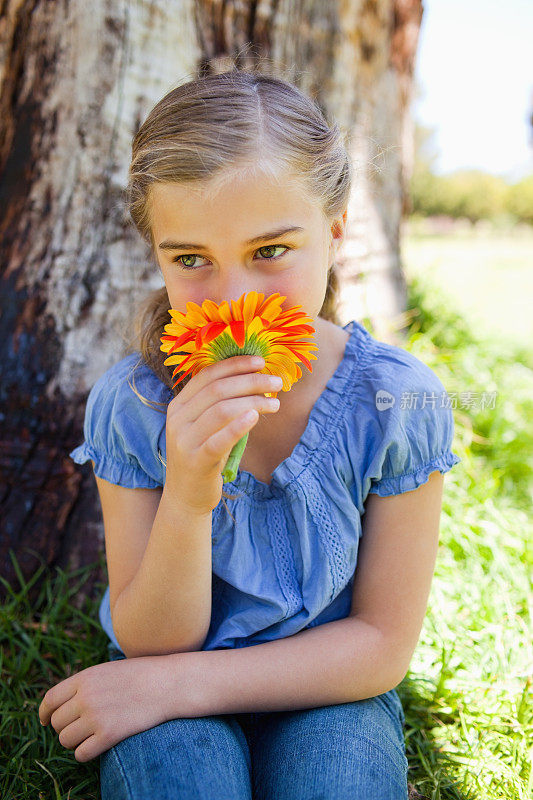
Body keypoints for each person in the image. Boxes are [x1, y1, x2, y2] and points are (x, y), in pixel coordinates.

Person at [38, 70, 461, 800]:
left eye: (270, 252)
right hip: (164, 658)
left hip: (332, 684)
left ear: (334, 232)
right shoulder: (132, 405)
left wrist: (174, 686)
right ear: (159, 257)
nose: (234, 299)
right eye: (191, 259)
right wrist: (190, 493)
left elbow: (381, 646)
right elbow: (151, 640)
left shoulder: (397, 401)